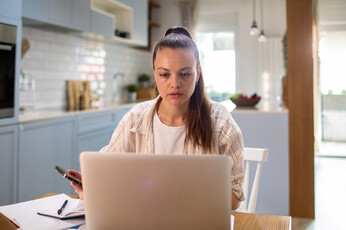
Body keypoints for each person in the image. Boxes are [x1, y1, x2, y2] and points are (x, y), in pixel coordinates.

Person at [68, 26, 245, 210]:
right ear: (155, 73)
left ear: (197, 73)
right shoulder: (135, 119)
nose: (175, 84)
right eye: (164, 74)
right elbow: (108, 172)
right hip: (146, 222)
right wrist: (92, 187)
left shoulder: (221, 122)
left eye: (185, 74)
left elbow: (234, 198)